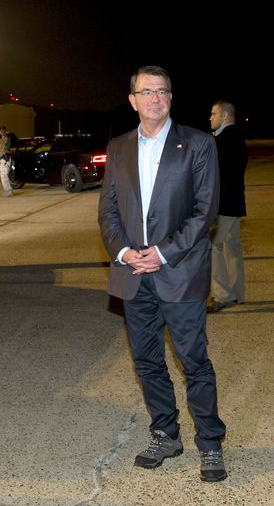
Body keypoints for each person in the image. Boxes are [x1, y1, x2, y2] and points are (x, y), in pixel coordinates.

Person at [97, 66, 227, 482]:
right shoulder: (117, 147)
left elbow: (204, 210)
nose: (155, 98)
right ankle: (164, 433)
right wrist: (124, 252)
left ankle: (210, 444)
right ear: (132, 100)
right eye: (146, 91)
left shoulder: (198, 144)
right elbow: (108, 211)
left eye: (163, 91)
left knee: (194, 362)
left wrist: (161, 253)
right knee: (148, 361)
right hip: (133, 275)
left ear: (171, 98)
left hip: (181, 273)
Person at [206, 100, 248, 313]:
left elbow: (218, 178)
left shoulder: (223, 141)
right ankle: (237, 293)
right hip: (234, 204)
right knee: (232, 248)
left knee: (213, 247)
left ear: (224, 116)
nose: (210, 117)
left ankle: (222, 295)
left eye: (214, 114)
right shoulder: (235, 137)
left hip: (224, 205)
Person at [0, 126, 13, 197]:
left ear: (6, 131)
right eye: (1, 131)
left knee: (4, 175)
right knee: (3, 175)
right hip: (1, 159)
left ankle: (9, 191)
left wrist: (2, 152)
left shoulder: (7, 139)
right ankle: (7, 190)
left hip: (5, 159)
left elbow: (7, 149)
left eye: (4, 131)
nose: (2, 132)